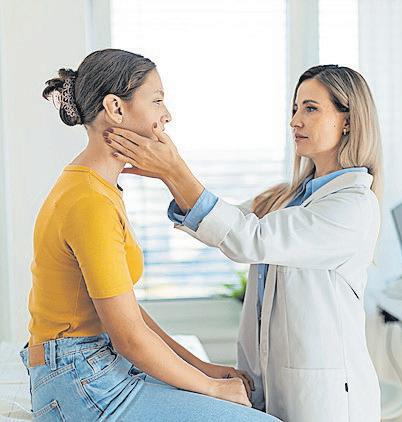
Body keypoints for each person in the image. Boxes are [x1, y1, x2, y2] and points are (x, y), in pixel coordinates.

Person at [105, 64, 383, 421]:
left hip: (328, 400)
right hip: (271, 382)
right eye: (295, 108)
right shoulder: (287, 197)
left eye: (311, 108)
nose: (295, 121)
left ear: (348, 121)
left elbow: (249, 238)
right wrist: (168, 175)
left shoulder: (353, 206)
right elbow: (228, 224)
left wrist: (174, 169)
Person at [20, 48, 279, 422]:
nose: (167, 114)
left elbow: (127, 318)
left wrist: (203, 369)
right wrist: (212, 388)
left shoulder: (95, 188)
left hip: (91, 371)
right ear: (116, 108)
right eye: (157, 100)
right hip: (80, 385)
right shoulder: (89, 201)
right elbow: (129, 338)